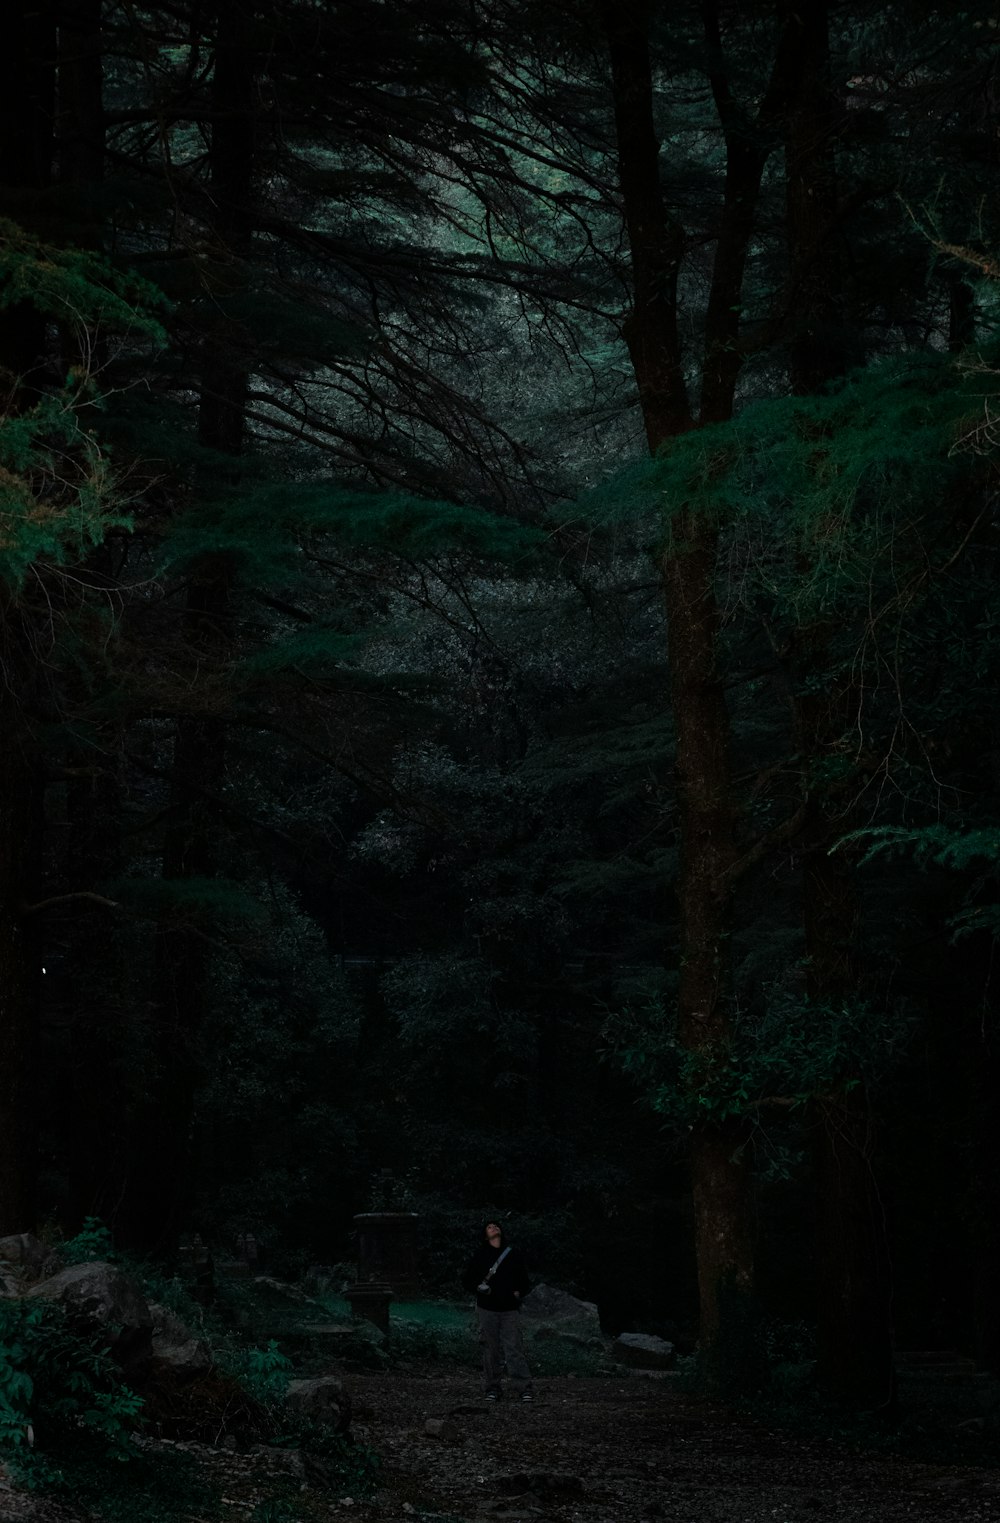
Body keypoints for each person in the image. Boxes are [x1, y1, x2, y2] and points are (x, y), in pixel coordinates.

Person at [462, 1219, 533, 1402]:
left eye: (496, 1226)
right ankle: (492, 1388)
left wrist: (519, 1292)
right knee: (490, 1349)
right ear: (485, 1235)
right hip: (488, 1308)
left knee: (514, 1348)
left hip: (509, 1308)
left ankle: (524, 1388)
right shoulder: (480, 1255)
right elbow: (467, 1280)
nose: (494, 1228)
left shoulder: (513, 1254)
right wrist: (478, 1287)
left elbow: (524, 1279)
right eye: (489, 1227)